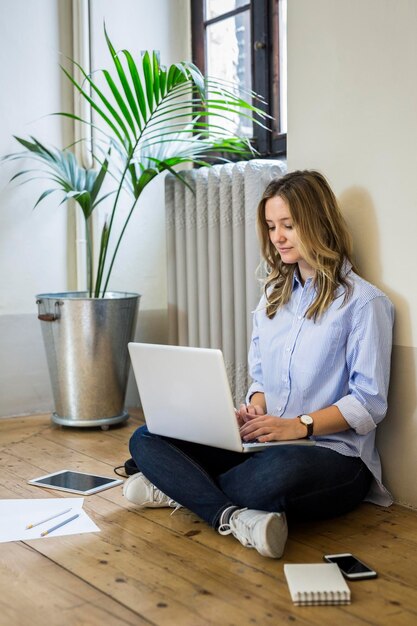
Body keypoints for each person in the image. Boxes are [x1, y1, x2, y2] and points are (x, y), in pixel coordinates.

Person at [123, 169, 394, 559]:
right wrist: (256, 410)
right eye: (270, 226)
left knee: (271, 478)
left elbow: (369, 403)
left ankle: (177, 487)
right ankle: (233, 516)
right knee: (147, 437)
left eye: (288, 225)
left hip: (333, 456)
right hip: (265, 443)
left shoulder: (364, 303)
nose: (277, 237)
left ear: (318, 223)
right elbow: (261, 378)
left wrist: (297, 426)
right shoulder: (271, 297)